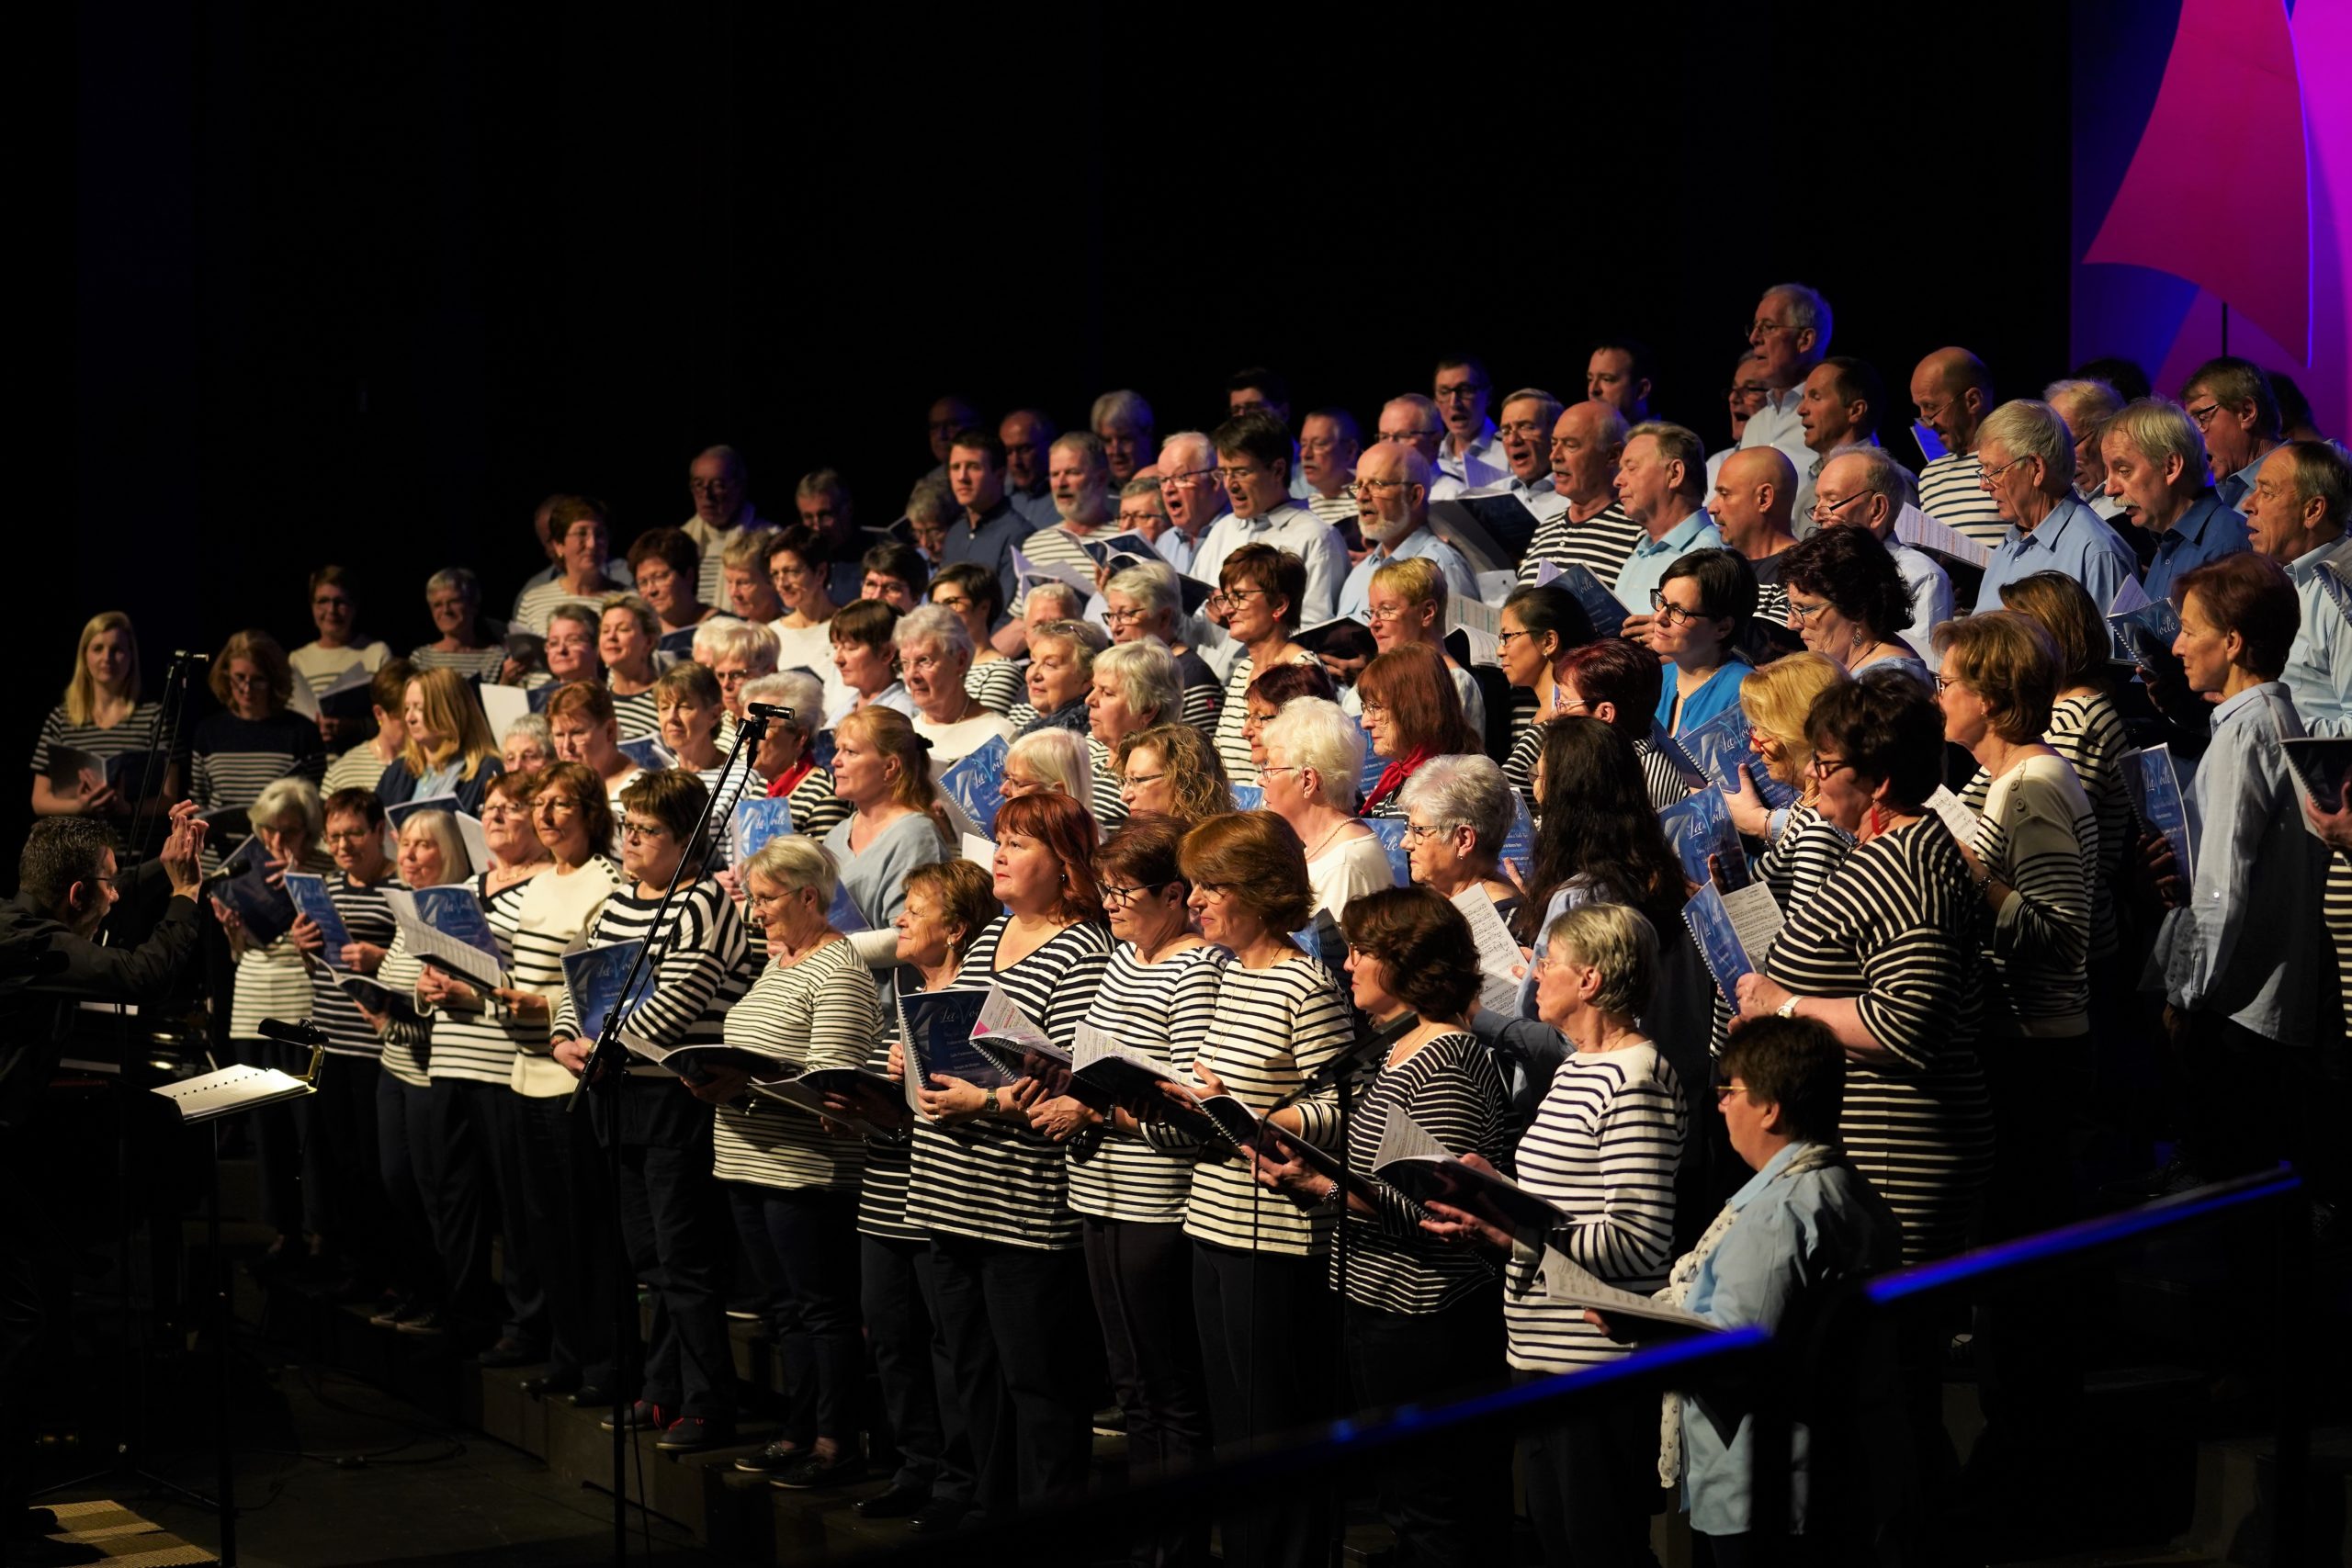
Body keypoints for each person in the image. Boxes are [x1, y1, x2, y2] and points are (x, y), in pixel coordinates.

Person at [1255, 887, 1513, 1568]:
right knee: (1406, 1499)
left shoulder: (1449, 1060)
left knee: (1435, 1507)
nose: (1349, 966)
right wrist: (1320, 1182)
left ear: (1406, 962)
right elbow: (1382, 1179)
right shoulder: (1398, 1049)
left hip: (1425, 1319)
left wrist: (1319, 1183)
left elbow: (1439, 1213)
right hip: (1376, 1301)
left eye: (1364, 952)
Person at [1423, 902, 1683, 1567]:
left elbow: (1639, 1241)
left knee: (1598, 1545)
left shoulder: (1636, 1079)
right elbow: (1563, 1202)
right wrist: (1493, 1189)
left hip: (1591, 1356)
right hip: (1536, 1344)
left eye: (1549, 964)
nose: (1533, 976)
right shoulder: (1577, 1066)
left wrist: (1513, 1228)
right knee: (1557, 1539)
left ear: (1590, 980)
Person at [0, 806, 209, 1549]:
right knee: (17, 1328)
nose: (122, 897)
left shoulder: (30, 913)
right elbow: (139, 973)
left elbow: (114, 886)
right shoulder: (28, 944)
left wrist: (167, 857)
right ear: (78, 895)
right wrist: (185, 896)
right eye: (111, 888)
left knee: (30, 1309)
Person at [1733, 671, 1993, 1266]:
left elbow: (1907, 1023)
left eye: (1826, 763)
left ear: (1880, 782)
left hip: (1896, 1152)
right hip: (1871, 1149)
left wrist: (1785, 1006)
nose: (1809, 775)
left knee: (1893, 1347)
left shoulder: (1910, 871)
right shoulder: (1890, 850)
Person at [1024, 816, 1227, 1566]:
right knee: (1131, 1382)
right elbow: (1093, 1060)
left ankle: (1178, 1546)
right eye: (1102, 888)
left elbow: (1185, 1104)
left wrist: (1097, 1106)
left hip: (1156, 1195)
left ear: (1176, 893)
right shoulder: (1119, 958)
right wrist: (1053, 1076)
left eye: (1124, 890)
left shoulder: (1196, 966)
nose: (1109, 902)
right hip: (1097, 1184)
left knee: (1170, 1386)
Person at [906, 792, 1113, 1522]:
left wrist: (986, 1103)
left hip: (1022, 1200)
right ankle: (984, 1511)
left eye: (1020, 843)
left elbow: (1067, 1078)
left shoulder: (1085, 947)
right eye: (999, 839)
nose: (998, 853)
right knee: (973, 1369)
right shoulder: (992, 930)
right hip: (950, 1185)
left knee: (1040, 1383)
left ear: (1065, 865)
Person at [1164, 812, 1353, 1568]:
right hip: (1209, 1217)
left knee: (1269, 1423)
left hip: (1270, 1230)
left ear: (1261, 891)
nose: (1197, 900)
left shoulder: (1304, 981)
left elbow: (1343, 1103)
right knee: (1232, 1425)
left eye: (1213, 886)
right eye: (1197, 884)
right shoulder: (1228, 974)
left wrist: (1262, 1114)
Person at [1645, 1017, 1905, 1562]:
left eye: (1730, 1090)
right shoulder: (1851, 1189)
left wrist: (1645, 1332)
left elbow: (1738, 1362)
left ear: (1770, 1108)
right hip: (1840, 1477)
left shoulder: (1776, 1217)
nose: (1720, 1105)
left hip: (1766, 1491)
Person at [551, 771, 756, 1451]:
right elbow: (580, 977)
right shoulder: (616, 902)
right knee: (649, 1256)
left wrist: (605, 1041)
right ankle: (664, 1387)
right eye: (628, 827)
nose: (630, 839)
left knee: (685, 1256)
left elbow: (676, 1007)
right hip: (620, 1092)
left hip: (674, 1097)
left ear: (687, 840)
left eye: (647, 831)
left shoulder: (703, 905)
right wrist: (564, 1038)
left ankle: (708, 1402)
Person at [696, 836, 884, 1490]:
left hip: (804, 1169)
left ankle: (837, 1440)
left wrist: (743, 1082)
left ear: (809, 895)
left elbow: (834, 1090)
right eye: (751, 899)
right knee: (783, 1308)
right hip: (749, 1159)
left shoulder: (839, 969)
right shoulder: (781, 962)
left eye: (768, 899)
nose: (756, 915)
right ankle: (797, 1426)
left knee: (821, 1308)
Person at [2152, 553, 2328, 1179]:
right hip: (2257, 1001)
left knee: (2234, 1193)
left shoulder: (2244, 732)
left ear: (2231, 642)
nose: (2176, 645)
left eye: (2191, 629)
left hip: (2235, 1009)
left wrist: (2186, 993)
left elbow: (2224, 885)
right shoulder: (2273, 717)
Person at [1932, 614, 2097, 1214]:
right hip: (2020, 1040)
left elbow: (2061, 935)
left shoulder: (2031, 785)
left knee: (2027, 1225)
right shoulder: (2005, 777)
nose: (1937, 695)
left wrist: (1969, 871)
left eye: (1946, 683)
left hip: (2035, 1049)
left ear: (1990, 699)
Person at [852, 860, 992, 1532]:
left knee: (950, 1345)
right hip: (886, 1185)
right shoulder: (907, 989)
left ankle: (958, 1477)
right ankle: (915, 1465)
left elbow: (968, 1100)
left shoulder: (974, 998)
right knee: (892, 1337)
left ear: (957, 928)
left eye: (916, 908)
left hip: (943, 1193)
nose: (900, 919)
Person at [407, 772, 554, 1371]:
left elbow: (535, 976)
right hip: (449, 1055)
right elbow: (432, 963)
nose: (494, 816)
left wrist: (473, 996)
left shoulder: (544, 886)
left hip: (503, 1059)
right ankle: (464, 1314)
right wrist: (425, 986)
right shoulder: (464, 885)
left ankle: (524, 1324)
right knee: (455, 1196)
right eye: (489, 807)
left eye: (510, 808)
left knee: (514, 1205)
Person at [490, 762, 628, 1399]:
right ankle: (567, 1354)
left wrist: (540, 1007)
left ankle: (605, 1363)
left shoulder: (605, 881)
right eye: (538, 802)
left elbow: (594, 985)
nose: (545, 815)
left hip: (569, 1078)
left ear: (590, 811)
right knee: (543, 1227)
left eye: (560, 803)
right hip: (523, 1074)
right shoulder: (541, 879)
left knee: (585, 1230)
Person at [1973, 573, 2133, 1018]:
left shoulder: (2075, 722)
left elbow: (2043, 851)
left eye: (2011, 633)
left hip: (2065, 969)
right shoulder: (2065, 713)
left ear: (2048, 640)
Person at [209, 776, 335, 1270]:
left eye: (291, 832)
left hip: (304, 1007)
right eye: (269, 832)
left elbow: (327, 949)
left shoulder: (324, 870)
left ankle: (324, 1228)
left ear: (310, 831)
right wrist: (234, 933)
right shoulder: (242, 866)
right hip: (253, 1006)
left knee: (311, 1128)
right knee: (269, 1128)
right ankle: (284, 1228)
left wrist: (303, 889)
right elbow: (242, 954)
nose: (278, 843)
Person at [288, 787, 401, 1301]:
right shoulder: (326, 888)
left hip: (376, 1050)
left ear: (380, 831)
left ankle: (384, 1270)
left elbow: (411, 968)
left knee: (376, 1168)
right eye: (334, 836)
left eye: (354, 833)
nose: (343, 845)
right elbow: (321, 968)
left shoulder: (400, 890)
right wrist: (304, 948)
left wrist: (381, 959)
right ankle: (352, 1264)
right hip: (329, 1043)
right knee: (337, 1162)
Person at [356, 807, 465, 1337]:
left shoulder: (449, 914)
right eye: (407, 845)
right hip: (393, 1068)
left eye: (425, 846)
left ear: (448, 853)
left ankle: (443, 1303)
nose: (411, 855)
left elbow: (441, 1018)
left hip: (427, 1077)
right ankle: (414, 1290)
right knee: (397, 1190)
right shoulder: (410, 912)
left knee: (432, 1197)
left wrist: (388, 1018)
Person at [1973, 400, 2140, 614]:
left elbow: (2113, 647)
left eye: (1994, 471)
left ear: (2036, 468)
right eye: (1983, 471)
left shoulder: (2097, 554)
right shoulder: (2010, 544)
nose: (1984, 485)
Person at [1723, 654, 1857, 908]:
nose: (1753, 746)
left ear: (1801, 735)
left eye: (1766, 731)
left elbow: (1804, 942)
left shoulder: (1820, 831)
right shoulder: (1811, 802)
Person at [1193, 412, 1350, 626]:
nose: (1230, 484)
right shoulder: (1223, 529)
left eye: (1241, 472)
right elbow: (1195, 611)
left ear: (1277, 470)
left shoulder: (1316, 538)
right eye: (1224, 473)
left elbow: (1312, 631)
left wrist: (1247, 624)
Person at [1810, 446, 1955, 660]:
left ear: (1877, 509)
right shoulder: (1818, 570)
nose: (1816, 516)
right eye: (1817, 501)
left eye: (1832, 501)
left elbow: (1919, 672)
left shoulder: (1920, 576)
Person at [2099, 397, 2250, 600]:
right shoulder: (2166, 545)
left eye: (2124, 470)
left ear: (2171, 467)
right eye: (2107, 472)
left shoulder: (2228, 545)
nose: (2109, 489)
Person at [1261, 697, 1393, 921]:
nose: (1262, 780)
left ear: (1308, 781)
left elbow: (1328, 955)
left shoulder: (1344, 863)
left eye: (1271, 768)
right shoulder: (1321, 845)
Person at [32, 611, 172, 820]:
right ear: (84, 656)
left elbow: (169, 798)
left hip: (135, 850)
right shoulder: (60, 719)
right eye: (98, 648)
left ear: (131, 656)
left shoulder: (155, 717)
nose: (107, 657)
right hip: (77, 849)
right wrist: (79, 806)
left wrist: (128, 809)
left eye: (116, 649)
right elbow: (39, 800)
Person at [824, 706, 949, 929]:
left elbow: (907, 936)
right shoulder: (837, 834)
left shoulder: (916, 836)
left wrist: (820, 947)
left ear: (890, 766)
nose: (835, 761)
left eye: (850, 752)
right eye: (837, 750)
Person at [1208, 544, 1320, 784]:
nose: (1227, 610)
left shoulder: (1303, 669)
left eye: (1239, 597)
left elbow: (1305, 762)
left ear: (1279, 605)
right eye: (1226, 598)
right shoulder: (1243, 670)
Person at [193, 629, 327, 824]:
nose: (247, 689)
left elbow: (312, 807)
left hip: (278, 849)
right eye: (239, 677)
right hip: (218, 851)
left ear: (273, 680)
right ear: (225, 675)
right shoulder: (208, 733)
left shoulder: (301, 733)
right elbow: (199, 801)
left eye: (257, 680)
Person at [1336, 443, 1476, 621]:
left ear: (1414, 496)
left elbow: (1460, 646)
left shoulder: (1441, 567)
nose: (1361, 497)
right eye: (1358, 486)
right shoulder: (1360, 572)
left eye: (1377, 485)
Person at [1778, 527, 1930, 681]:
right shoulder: (1850, 668)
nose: (1791, 624)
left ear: (1856, 608)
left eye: (1804, 609)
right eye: (1790, 607)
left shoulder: (1886, 685)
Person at [1612, 422, 1724, 630]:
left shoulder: (1713, 554)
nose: (1618, 480)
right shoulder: (1639, 553)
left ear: (1674, 474)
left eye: (1631, 468)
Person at [1363, 557, 1487, 738]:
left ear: (1427, 612)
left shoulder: (1454, 684)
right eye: (1372, 611)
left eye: (1386, 610)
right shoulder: (1370, 683)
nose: (1373, 623)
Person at [1521, 401, 1643, 588]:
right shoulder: (1545, 530)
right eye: (1554, 444)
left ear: (1612, 456)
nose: (1554, 456)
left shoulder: (1637, 531)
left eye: (1571, 445)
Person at [1496, 584, 1596, 803]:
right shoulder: (1545, 713)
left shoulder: (1566, 720)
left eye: (1507, 637)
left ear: (1549, 641)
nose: (1500, 649)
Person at [1356, 643, 1477, 819]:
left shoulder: (1453, 791)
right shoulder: (1398, 779)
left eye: (1376, 706)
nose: (1364, 722)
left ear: (1416, 708)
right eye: (1365, 707)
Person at [1399, 753, 1521, 920]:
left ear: (1464, 840)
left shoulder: (1501, 923)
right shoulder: (1437, 906)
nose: (1405, 843)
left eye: (1418, 830)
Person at [1104, 561, 1222, 735]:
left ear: (1164, 617)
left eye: (1126, 614)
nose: (1114, 627)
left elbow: (1201, 756)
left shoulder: (1192, 676)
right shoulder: (1122, 669)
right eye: (1111, 615)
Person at [1653, 549, 1759, 738]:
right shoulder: (1656, 677)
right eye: (1662, 601)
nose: (1659, 617)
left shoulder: (1745, 694)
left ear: (1723, 628)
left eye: (1678, 611)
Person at [891, 604, 1012, 767]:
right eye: (905, 663)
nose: (912, 674)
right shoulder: (905, 734)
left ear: (960, 661)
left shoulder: (997, 736)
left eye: (924, 661)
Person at [372, 666, 503, 815]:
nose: (409, 718)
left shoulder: (486, 772)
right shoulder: (398, 771)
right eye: (407, 708)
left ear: (449, 712)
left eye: (419, 708)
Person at [1909, 347, 2006, 547]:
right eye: (1920, 409)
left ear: (1972, 401)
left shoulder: (2016, 462)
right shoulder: (1930, 477)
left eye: (1932, 408)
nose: (1926, 422)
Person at [289, 565, 391, 749]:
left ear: (354, 607)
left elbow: (395, 718)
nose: (331, 610)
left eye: (340, 602)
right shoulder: (297, 660)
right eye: (323, 601)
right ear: (312, 606)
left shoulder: (376, 653)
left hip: (365, 764)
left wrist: (354, 727)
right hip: (315, 765)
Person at [741, 670, 848, 840]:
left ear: (798, 737)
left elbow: (823, 865)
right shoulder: (758, 790)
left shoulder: (824, 796)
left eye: (761, 727)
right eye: (745, 725)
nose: (747, 737)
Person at [1739, 284, 1833, 474]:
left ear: (1805, 340)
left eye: (1768, 327)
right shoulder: (1755, 425)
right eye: (1755, 327)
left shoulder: (1834, 421)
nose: (1754, 338)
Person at [942, 427, 1036, 609]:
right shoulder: (955, 532)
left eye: (973, 467)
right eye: (955, 467)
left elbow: (1006, 614)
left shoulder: (1018, 535)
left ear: (1000, 475)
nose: (962, 477)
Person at [2180, 355, 2284, 508]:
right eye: (2190, 423)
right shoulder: (2213, 493)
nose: (2193, 436)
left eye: (2201, 418)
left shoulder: (2305, 479)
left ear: (2246, 412)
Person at [514, 497, 628, 634]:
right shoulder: (532, 601)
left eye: (599, 534)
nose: (592, 544)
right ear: (559, 545)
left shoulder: (628, 599)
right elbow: (521, 653)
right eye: (581, 534)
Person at [1793, 355, 1886, 524]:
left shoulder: (1887, 483)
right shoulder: (1808, 492)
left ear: (1855, 411)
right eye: (1803, 398)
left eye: (1815, 397)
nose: (1801, 410)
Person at [928, 561, 1028, 716]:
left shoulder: (1000, 671)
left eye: (951, 603)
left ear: (984, 607)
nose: (940, 613)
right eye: (936, 605)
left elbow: (982, 733)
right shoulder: (934, 665)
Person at [1711, 449, 1801, 619]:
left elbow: (1771, 645)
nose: (1712, 508)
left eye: (1724, 494)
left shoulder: (1800, 574)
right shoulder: (1724, 567)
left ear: (1764, 499)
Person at [546, 681, 639, 839]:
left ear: (610, 731)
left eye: (577, 733)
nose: (567, 746)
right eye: (559, 735)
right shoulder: (553, 791)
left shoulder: (638, 795)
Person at [765, 525, 845, 696]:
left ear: (820, 572)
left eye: (791, 572)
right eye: (775, 574)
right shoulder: (771, 634)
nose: (782, 584)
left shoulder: (849, 627)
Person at [683, 445, 766, 605]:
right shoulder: (683, 541)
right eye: (699, 484)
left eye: (718, 485)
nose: (707, 495)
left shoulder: (766, 539)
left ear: (739, 487)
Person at [2045, 377, 2131, 526]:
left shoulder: (2132, 504)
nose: (2059, 458)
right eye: (2053, 447)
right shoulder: (2064, 494)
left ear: (2108, 433)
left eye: (2070, 443)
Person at [1113, 724, 1232, 826]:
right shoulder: (1135, 847)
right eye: (1126, 781)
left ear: (1183, 782)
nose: (1124, 796)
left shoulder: (1217, 851)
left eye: (1136, 780)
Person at [322, 660, 412, 795]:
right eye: (403, 714)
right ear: (379, 713)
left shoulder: (430, 764)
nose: (412, 720)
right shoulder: (341, 773)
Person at [1151, 430, 1230, 576]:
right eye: (1163, 480)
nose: (1168, 489)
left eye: (1181, 477)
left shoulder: (1239, 534)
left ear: (1215, 480)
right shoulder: (1165, 542)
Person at [1012, 617, 1106, 739]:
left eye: (1050, 664)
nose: (1033, 675)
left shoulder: (1075, 738)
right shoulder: (1038, 726)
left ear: (1087, 679)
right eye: (1032, 661)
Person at [408, 566, 506, 679]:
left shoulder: (496, 658)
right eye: (437, 605)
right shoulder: (421, 659)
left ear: (473, 605)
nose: (446, 610)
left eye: (454, 601)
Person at [828, 599, 913, 727]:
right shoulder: (844, 710)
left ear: (886, 653)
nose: (838, 659)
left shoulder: (900, 716)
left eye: (851, 648)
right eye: (836, 647)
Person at [628, 526, 720, 645]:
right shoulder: (641, 639)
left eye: (659, 577)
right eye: (643, 582)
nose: (651, 590)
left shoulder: (725, 629)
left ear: (689, 576)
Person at [598, 596, 669, 740]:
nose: (611, 636)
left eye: (622, 629)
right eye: (605, 630)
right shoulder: (598, 704)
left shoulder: (670, 698)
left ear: (648, 642)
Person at [1432, 355, 1507, 490]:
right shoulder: (1432, 457)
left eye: (1465, 390)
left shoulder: (1510, 451)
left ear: (1488, 396)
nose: (1454, 403)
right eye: (1444, 392)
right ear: (1435, 402)